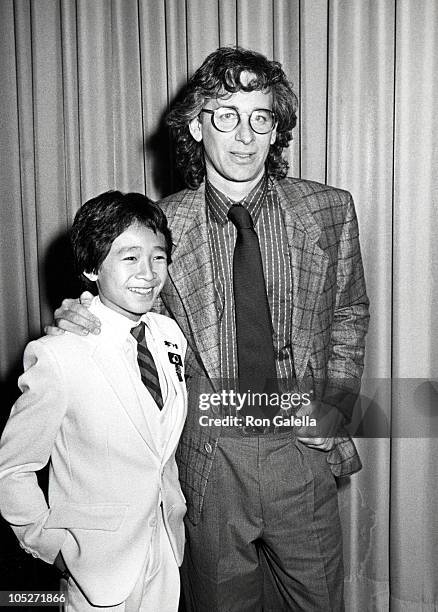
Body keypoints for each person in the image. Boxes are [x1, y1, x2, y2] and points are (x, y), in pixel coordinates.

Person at [50, 47, 369, 611]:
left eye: (260, 117)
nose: (244, 135)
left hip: (301, 451)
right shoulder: (160, 223)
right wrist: (83, 317)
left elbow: (349, 312)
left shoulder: (328, 210)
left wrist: (337, 403)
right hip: (209, 459)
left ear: (276, 130)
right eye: (226, 115)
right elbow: (127, 310)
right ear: (198, 126)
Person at [0, 192, 187, 611]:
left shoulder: (168, 336)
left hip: (164, 551)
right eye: (129, 258)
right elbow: (11, 470)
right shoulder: (58, 354)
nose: (148, 273)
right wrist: (53, 545)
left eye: (158, 257)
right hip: (94, 568)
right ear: (90, 268)